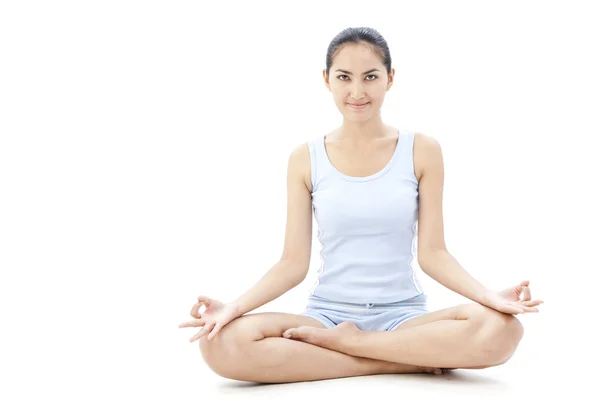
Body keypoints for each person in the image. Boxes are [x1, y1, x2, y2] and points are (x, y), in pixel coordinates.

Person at [178, 26, 543, 383]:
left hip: (403, 319)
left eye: (370, 77)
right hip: (326, 318)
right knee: (221, 344)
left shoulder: (422, 151)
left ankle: (358, 346)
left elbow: (433, 253)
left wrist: (489, 296)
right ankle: (399, 362)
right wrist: (234, 307)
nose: (357, 91)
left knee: (502, 331)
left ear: (390, 78)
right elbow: (292, 263)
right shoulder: (305, 158)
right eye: (344, 77)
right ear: (327, 80)